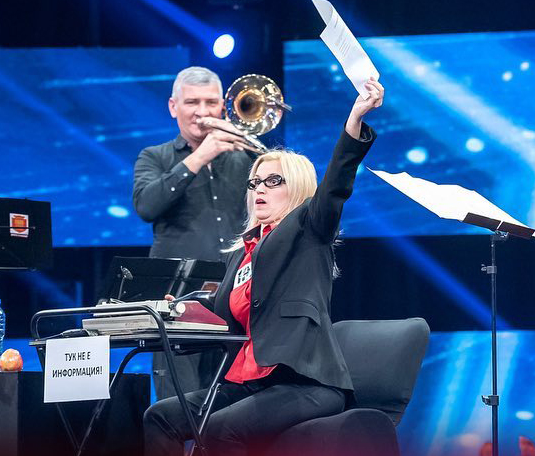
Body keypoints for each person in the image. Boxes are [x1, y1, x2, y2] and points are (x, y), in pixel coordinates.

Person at [143, 78, 384, 456]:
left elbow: (336, 183)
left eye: (273, 181)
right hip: (248, 383)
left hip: (305, 384)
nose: (259, 188)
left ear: (298, 188)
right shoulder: (241, 254)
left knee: (220, 429)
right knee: (160, 416)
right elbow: (219, 313)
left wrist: (355, 119)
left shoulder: (309, 228)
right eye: (255, 181)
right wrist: (177, 311)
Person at [133, 66, 256, 399]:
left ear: (223, 107)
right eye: (192, 102)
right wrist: (203, 154)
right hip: (176, 299)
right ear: (174, 107)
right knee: (179, 400)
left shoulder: (244, 158)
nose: (202, 112)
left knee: (234, 400)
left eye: (211, 102)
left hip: (235, 292)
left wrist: (252, 149)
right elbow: (146, 206)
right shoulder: (154, 157)